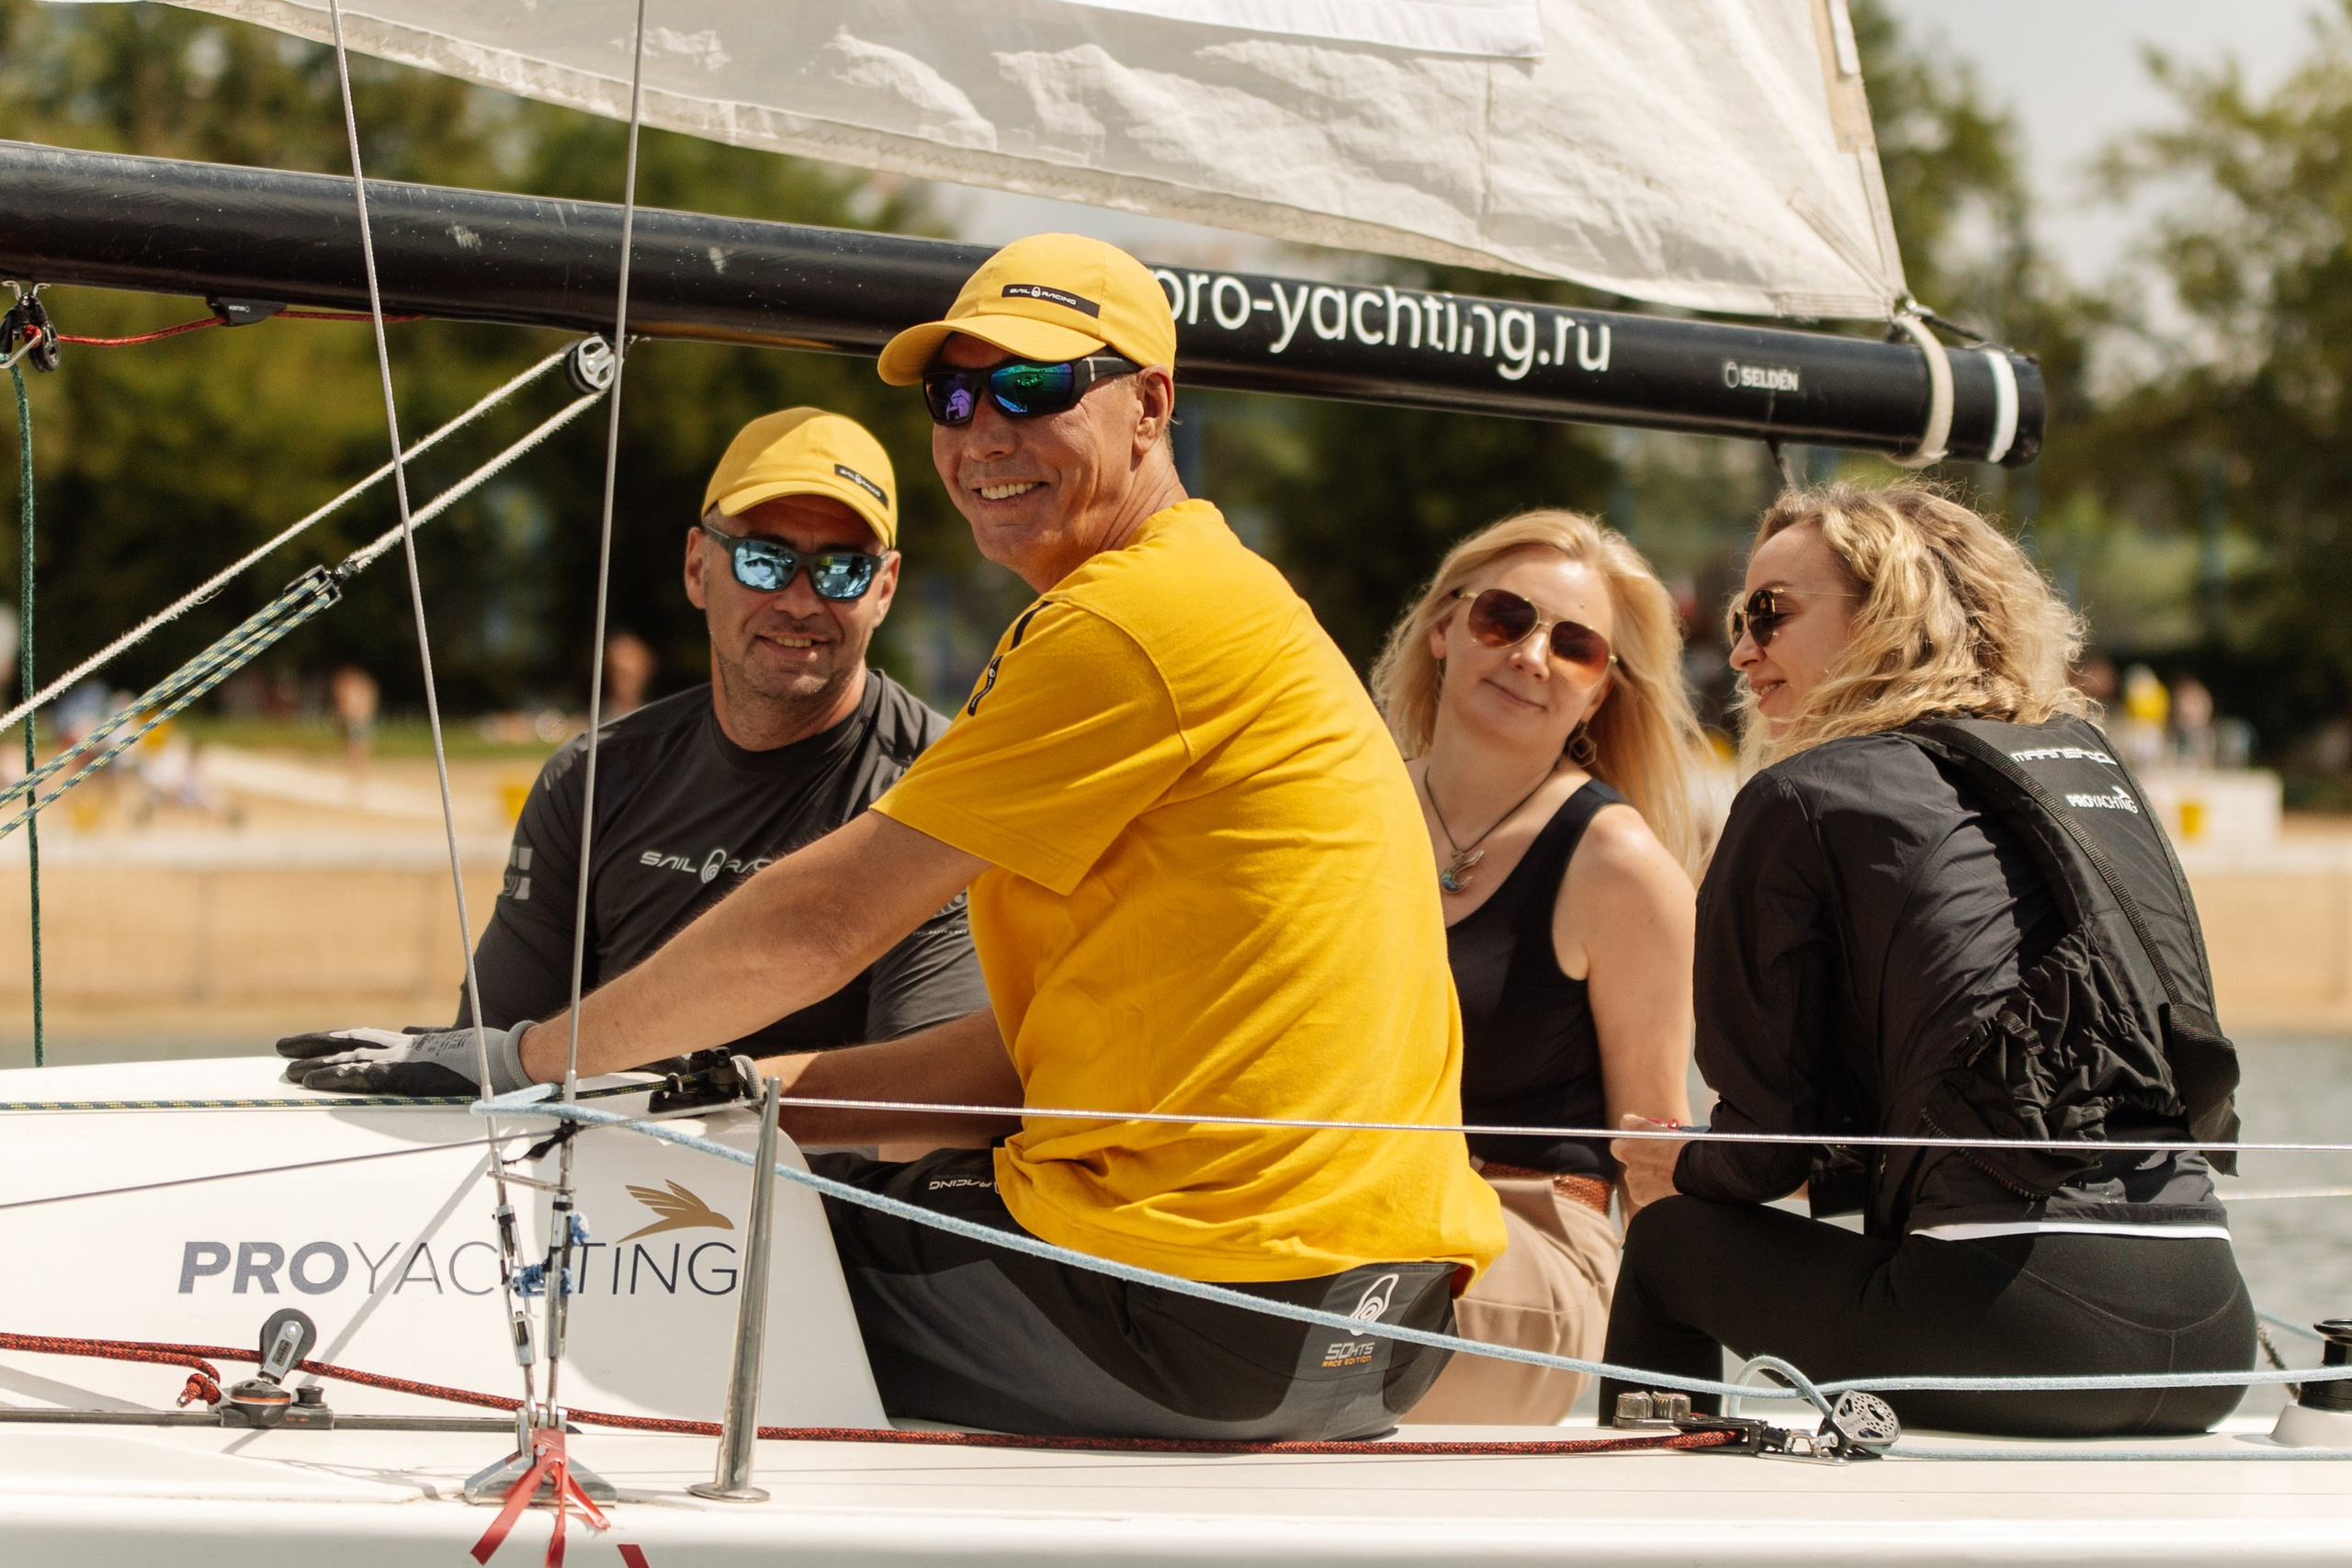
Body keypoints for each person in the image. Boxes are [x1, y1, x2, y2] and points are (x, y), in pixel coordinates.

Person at [284, 233, 1506, 1442]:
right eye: (954, 395)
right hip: (1373, 1333)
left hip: (1202, 1310)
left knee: (665, 1251)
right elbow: (1045, 1058)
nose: (982, 433)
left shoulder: (1127, 622)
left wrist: (531, 1054)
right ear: (700, 567)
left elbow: (825, 918)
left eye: (1033, 386)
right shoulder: (1231, 600)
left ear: (1152, 406)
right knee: (733, 1201)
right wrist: (742, 1093)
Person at [1600, 482, 2254, 1438]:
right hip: (2210, 1333)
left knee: (1669, 1242)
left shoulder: (1801, 797)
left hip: (2009, 1326)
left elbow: (1774, 1143)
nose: (1740, 649)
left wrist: (1679, 1164)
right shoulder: (2085, 774)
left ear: (1888, 612)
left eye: (1768, 612)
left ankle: (1646, 1511)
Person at [283, 407, 986, 1062]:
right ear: (696, 567)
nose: (800, 600)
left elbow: (919, 1120)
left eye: (843, 569)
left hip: (826, 1195)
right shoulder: (592, 780)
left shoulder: (947, 792)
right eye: (763, 560)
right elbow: (488, 1057)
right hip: (603, 1186)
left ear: (885, 588)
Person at [1368, 511, 1700, 1426]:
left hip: (1531, 1248)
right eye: (1502, 619)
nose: (1531, 655)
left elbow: (1654, 1158)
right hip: (1352, 1204)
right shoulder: (1350, 812)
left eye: (1576, 645)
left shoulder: (1620, 866)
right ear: (1442, 627)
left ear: (1599, 693)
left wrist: (1663, 1404)